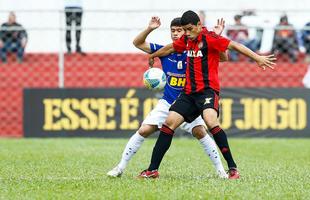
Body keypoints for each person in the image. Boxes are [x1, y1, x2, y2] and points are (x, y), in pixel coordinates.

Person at [138, 10, 276, 180]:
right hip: (188, 93)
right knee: (168, 123)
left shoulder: (210, 38)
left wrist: (258, 58)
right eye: (184, 30)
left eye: (189, 29)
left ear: (198, 26)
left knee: (211, 121)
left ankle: (232, 168)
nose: (186, 33)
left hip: (207, 91)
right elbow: (170, 48)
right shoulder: (186, 40)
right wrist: (153, 55)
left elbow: (235, 46)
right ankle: (152, 170)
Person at [107, 16, 229, 179]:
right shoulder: (165, 50)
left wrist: (217, 36)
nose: (176, 34)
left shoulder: (195, 50)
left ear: (186, 31)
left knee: (200, 132)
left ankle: (221, 171)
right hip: (168, 103)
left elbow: (222, 57)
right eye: (173, 31)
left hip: (190, 101)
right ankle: (120, 167)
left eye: (179, 30)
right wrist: (150, 28)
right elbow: (137, 43)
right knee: (143, 130)